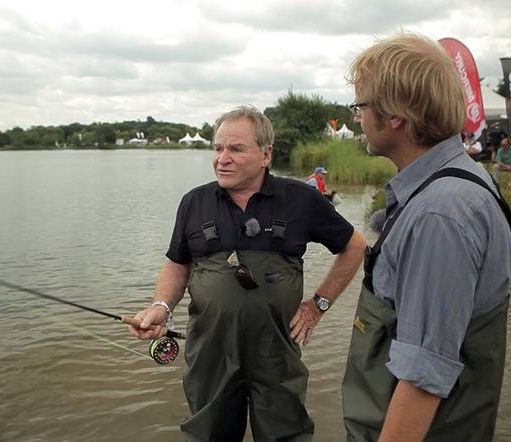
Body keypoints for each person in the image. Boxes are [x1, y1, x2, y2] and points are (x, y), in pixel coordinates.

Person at [128, 105, 366, 441]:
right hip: (210, 356)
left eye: (236, 149)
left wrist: (317, 306)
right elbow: (178, 264)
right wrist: (161, 307)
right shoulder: (194, 203)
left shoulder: (300, 199)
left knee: (286, 434)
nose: (222, 158)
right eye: (218, 148)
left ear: (266, 154)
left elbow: (354, 247)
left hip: (277, 356)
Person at [341, 33, 511, 441]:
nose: (357, 118)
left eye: (361, 106)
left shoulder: (440, 214)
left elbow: (423, 377)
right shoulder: (450, 187)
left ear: (396, 116)